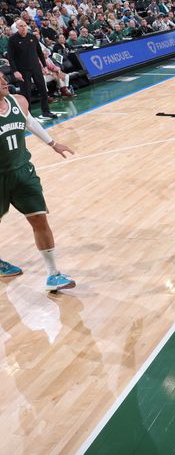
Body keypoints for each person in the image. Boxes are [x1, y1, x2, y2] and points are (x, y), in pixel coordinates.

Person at [0, 74, 75, 291]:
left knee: (39, 220)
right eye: (0, 80)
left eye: (4, 78)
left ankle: (54, 274)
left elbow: (28, 121)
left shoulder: (19, 101)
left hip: (23, 172)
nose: (5, 82)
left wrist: (53, 143)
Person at [7, 20, 57, 119]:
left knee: (43, 90)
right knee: (26, 93)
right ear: (17, 28)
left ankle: (46, 112)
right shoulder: (12, 39)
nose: (23, 28)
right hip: (22, 70)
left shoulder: (32, 37)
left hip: (36, 68)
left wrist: (45, 66)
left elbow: (39, 53)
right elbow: (10, 57)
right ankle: (28, 115)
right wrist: (15, 71)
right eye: (21, 26)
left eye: (25, 25)